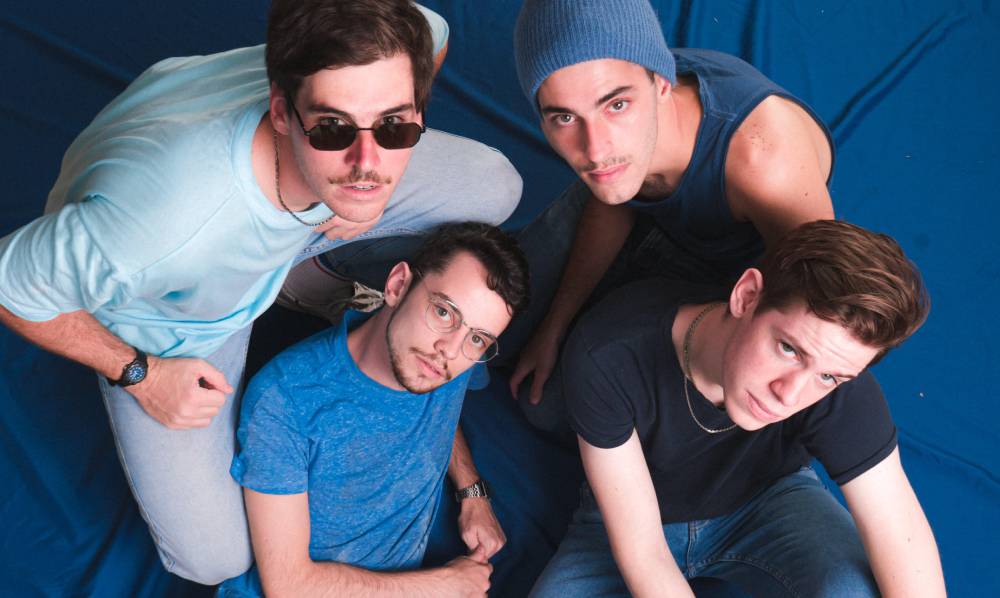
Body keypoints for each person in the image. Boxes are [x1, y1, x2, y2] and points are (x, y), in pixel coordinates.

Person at [0, 0, 520, 585]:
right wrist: (139, 372)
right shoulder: (166, 227)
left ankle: (305, 270)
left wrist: (358, 199)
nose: (368, 162)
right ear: (281, 111)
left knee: (492, 186)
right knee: (213, 559)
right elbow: (9, 285)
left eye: (394, 124)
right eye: (333, 127)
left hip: (273, 203)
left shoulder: (375, 93)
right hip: (178, 306)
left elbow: (434, 37)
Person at [528, 220, 946, 597]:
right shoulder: (609, 351)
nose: (789, 394)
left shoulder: (835, 372)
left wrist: (825, 374)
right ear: (746, 297)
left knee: (853, 591)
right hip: (631, 518)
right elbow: (644, 553)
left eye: (828, 377)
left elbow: (900, 532)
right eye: (788, 349)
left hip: (768, 502)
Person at [506, 0, 836, 427]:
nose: (595, 148)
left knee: (553, 406)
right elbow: (614, 202)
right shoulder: (615, 147)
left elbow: (822, 308)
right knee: (495, 328)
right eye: (565, 118)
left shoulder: (764, 163)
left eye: (616, 106)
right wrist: (555, 323)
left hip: (733, 271)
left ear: (661, 84)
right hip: (648, 213)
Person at [217, 222, 530, 597]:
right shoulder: (286, 399)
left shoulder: (448, 362)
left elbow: (443, 417)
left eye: (477, 339)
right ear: (397, 286)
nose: (449, 349)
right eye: (444, 312)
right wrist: (443, 585)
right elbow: (288, 585)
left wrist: (472, 491)